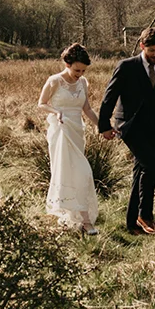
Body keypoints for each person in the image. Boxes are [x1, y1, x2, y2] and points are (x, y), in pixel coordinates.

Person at [98, 27, 155, 235]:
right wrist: (104, 126)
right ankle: (146, 215)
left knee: (140, 172)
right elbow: (110, 96)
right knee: (151, 168)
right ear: (142, 46)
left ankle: (132, 224)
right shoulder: (126, 67)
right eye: (152, 50)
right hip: (129, 126)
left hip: (153, 128)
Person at [36, 44, 101, 235]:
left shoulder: (82, 82)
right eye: (76, 70)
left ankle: (79, 217)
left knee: (82, 173)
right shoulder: (54, 81)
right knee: (68, 172)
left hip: (76, 130)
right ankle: (82, 220)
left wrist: (101, 125)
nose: (79, 74)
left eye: (83, 70)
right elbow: (41, 104)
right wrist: (56, 112)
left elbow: (87, 108)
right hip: (60, 130)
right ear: (67, 64)